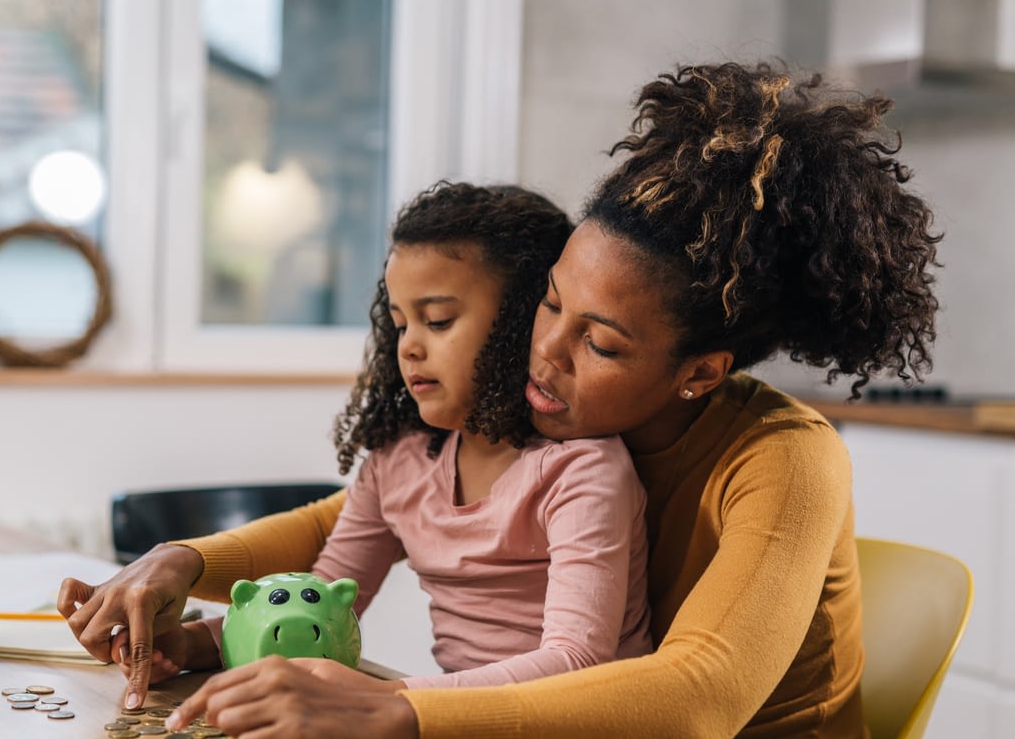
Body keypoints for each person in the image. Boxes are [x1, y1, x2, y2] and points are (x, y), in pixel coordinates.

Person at [59, 61, 941, 739]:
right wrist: (187, 562)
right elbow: (357, 520)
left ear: (700, 372)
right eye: (549, 302)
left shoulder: (783, 457)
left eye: (597, 342)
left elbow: (696, 700)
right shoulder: (579, 418)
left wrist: (400, 714)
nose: (543, 351)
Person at [125, 181, 652, 689]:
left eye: (438, 321)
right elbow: (323, 605)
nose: (409, 348)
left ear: (521, 321)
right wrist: (186, 645)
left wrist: (387, 701)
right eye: (400, 324)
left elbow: (575, 661)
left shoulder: (581, 469)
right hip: (460, 732)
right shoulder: (398, 461)